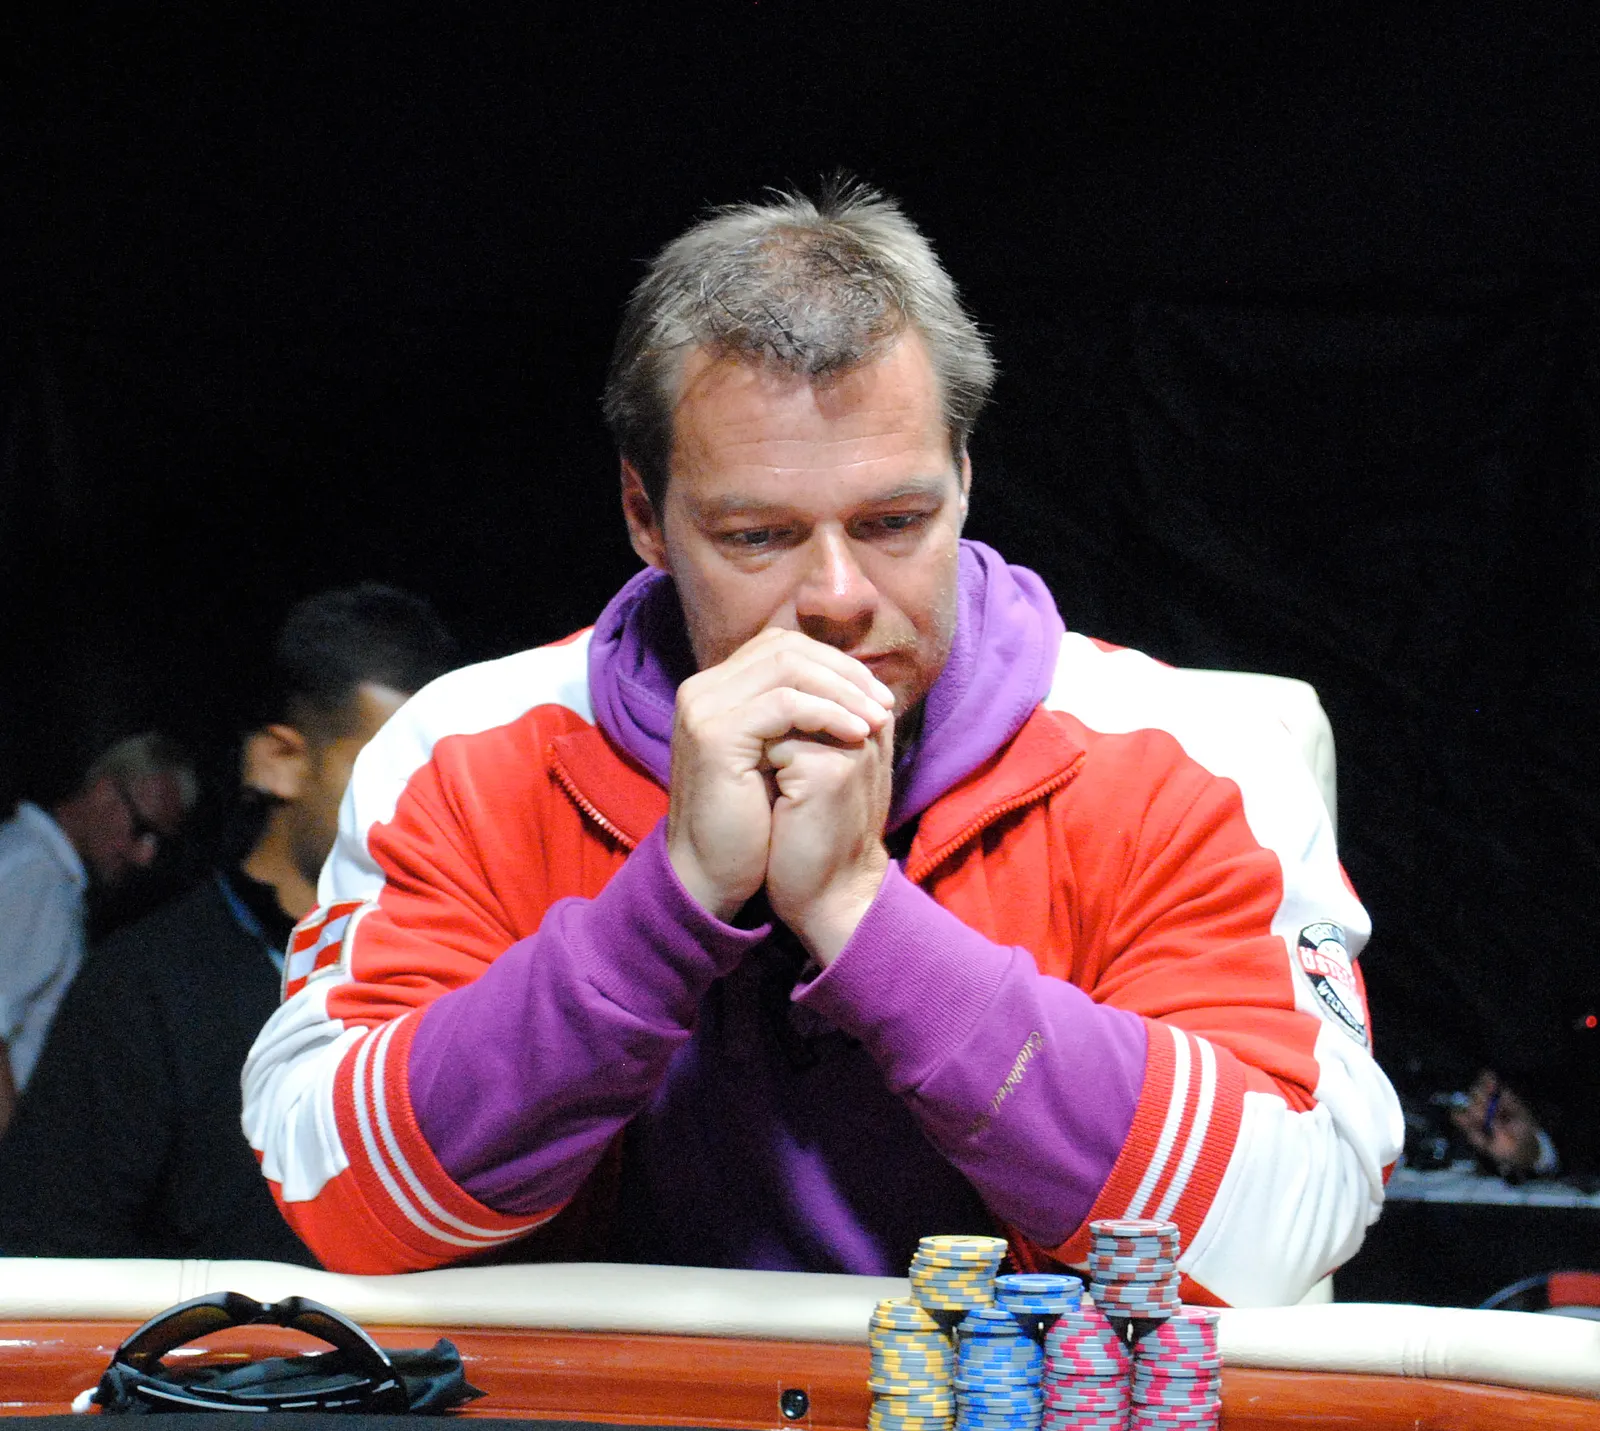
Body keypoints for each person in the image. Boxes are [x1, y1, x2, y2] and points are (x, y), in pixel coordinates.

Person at [244, 184, 1403, 1303]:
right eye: (758, 536)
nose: (839, 597)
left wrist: (860, 913)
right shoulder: (465, 751)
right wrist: (670, 903)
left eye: (895, 521)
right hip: (582, 1429)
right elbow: (334, 1190)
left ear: (963, 478)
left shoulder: (1186, 761)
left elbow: (1276, 1231)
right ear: (645, 515)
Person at [0, 585, 458, 1259]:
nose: (423, 806)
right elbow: (46, 1249)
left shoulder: (448, 980)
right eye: (391, 769)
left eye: (440, 777)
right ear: (280, 761)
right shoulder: (144, 988)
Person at [0, 734, 195, 1138]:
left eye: (159, 843)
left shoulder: (32, 862)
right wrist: (18, 1163)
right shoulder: (39, 880)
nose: (145, 856)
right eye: (141, 829)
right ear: (104, 791)